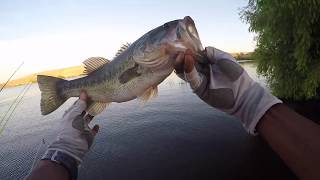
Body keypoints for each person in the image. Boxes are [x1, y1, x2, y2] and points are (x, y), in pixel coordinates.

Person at [26, 47, 320, 180]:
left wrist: (60, 155)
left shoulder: (155, 66)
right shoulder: (138, 63)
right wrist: (252, 104)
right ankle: (62, 90)